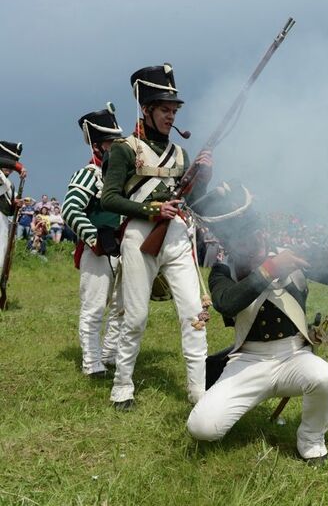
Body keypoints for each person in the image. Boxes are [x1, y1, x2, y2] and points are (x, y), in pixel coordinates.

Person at [185, 185, 328, 466]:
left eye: (254, 234)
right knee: (202, 428)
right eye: (241, 240)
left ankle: (311, 440)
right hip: (248, 360)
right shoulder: (223, 269)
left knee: (323, 377)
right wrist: (270, 269)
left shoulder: (292, 254)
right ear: (230, 245)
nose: (252, 242)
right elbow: (226, 303)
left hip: (294, 354)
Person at [101, 63, 212, 410]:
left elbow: (192, 201)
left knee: (194, 315)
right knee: (134, 316)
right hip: (141, 235)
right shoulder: (124, 149)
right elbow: (109, 198)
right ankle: (123, 385)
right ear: (146, 109)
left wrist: (204, 176)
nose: (170, 116)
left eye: (174, 110)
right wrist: (151, 210)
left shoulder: (181, 154)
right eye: (165, 109)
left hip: (178, 235)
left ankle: (199, 393)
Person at [62, 103, 126, 378]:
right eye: (112, 143)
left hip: (123, 250)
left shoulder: (122, 177)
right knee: (94, 308)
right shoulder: (89, 173)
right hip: (98, 251)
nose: (117, 148)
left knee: (122, 307)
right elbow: (71, 209)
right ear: (98, 146)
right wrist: (95, 239)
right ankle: (92, 362)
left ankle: (109, 354)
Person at [1, 141, 28, 275]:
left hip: (3, 223)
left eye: (10, 165)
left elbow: (9, 210)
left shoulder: (10, 186)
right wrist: (19, 167)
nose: (8, 168)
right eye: (7, 163)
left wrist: (15, 205)